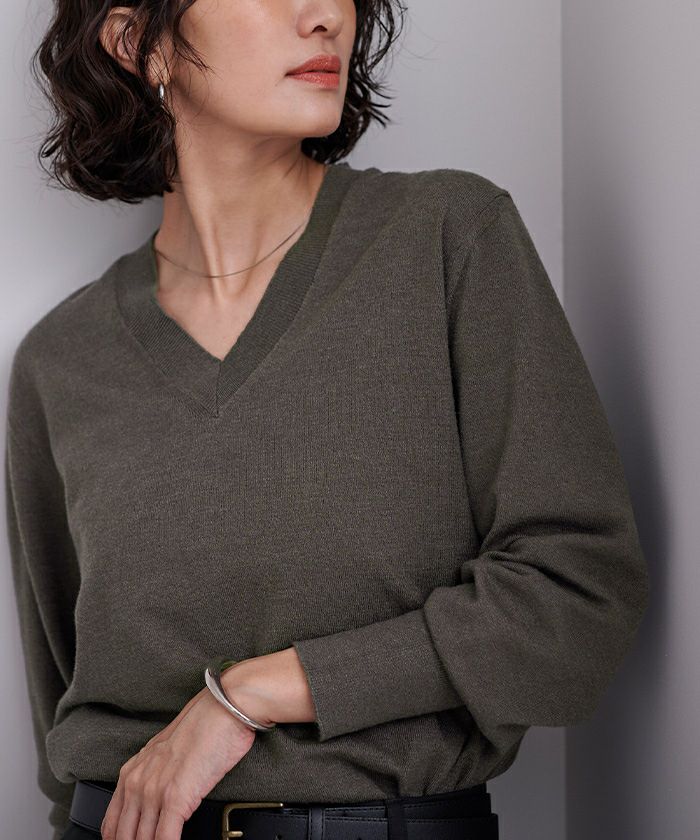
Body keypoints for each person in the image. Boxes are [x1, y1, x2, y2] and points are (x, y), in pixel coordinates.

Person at [5, 2, 650, 840]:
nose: (323, 17)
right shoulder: (61, 360)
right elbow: (60, 711)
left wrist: (250, 695)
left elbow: (579, 596)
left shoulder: (446, 239)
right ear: (138, 43)